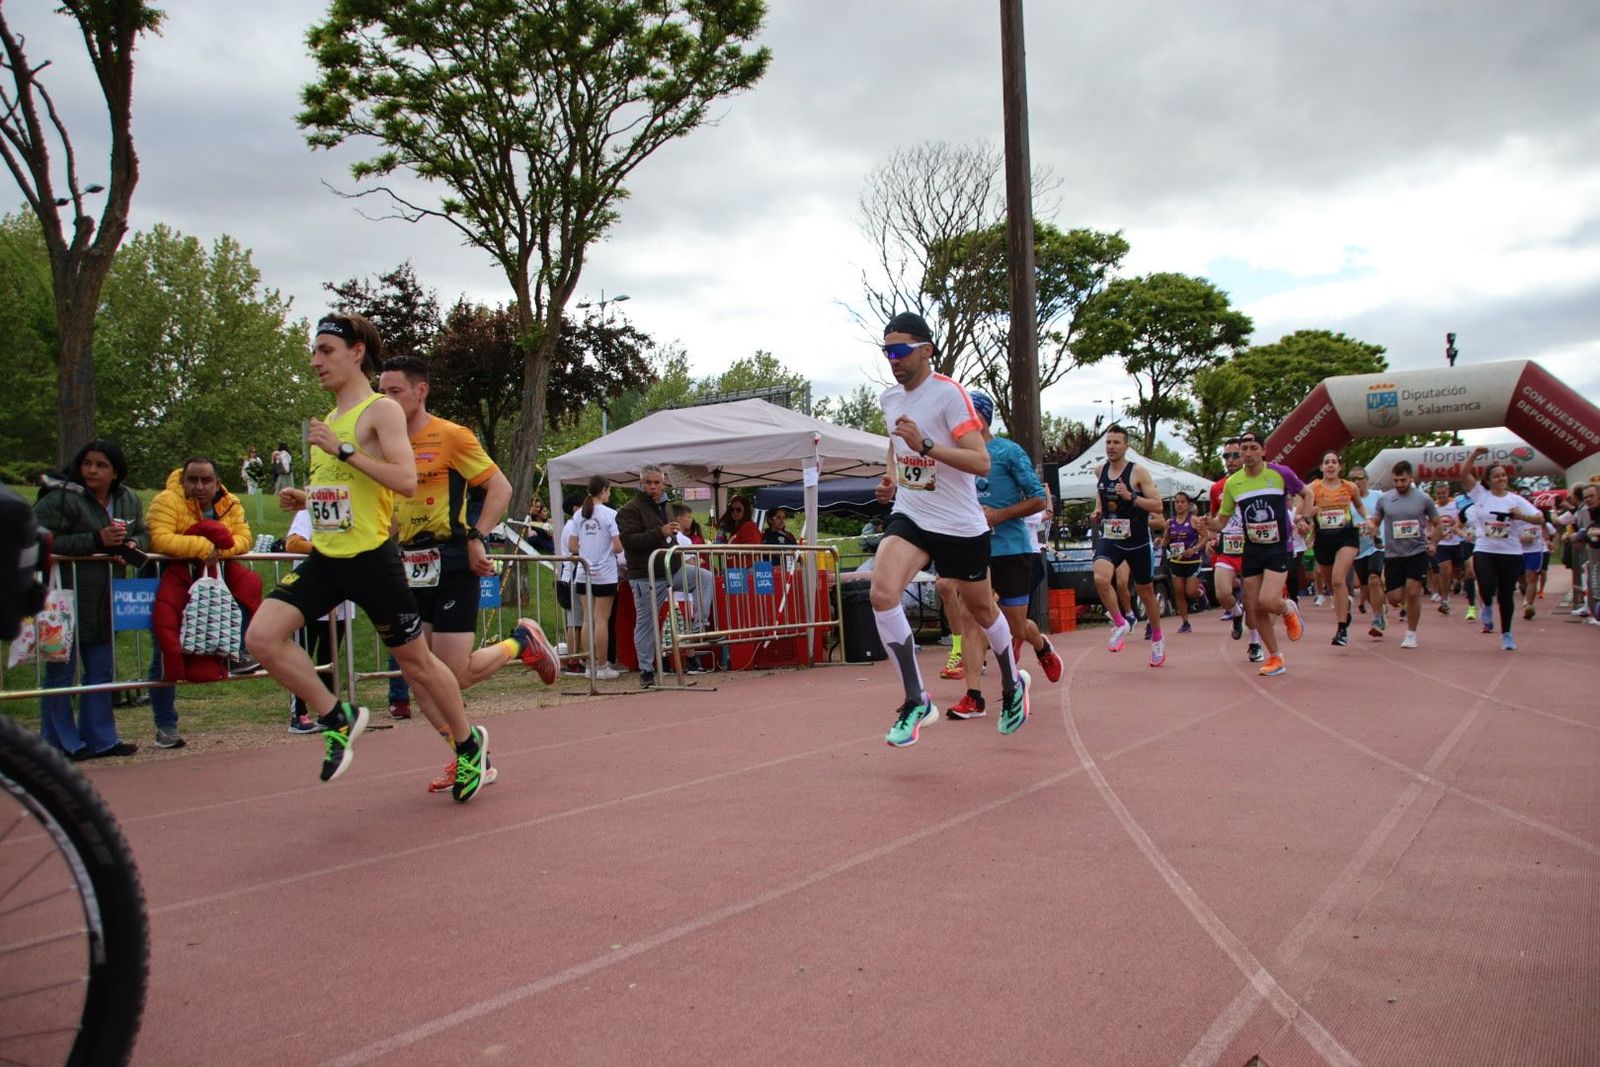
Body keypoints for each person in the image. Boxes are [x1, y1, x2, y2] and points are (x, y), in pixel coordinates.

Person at [246, 314, 499, 802]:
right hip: (327, 557)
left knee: (419, 665)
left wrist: (341, 451)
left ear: (356, 352)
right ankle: (334, 716)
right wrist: (310, 496)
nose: (316, 360)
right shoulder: (331, 419)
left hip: (371, 562)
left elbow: (404, 480)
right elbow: (350, 489)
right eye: (314, 352)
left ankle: (469, 747)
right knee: (261, 636)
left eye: (326, 350)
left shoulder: (380, 410)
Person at [376, 354, 554, 789]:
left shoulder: (450, 436)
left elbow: (501, 488)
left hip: (453, 559)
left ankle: (519, 642)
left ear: (421, 391)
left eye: (394, 392)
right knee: (419, 678)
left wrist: (478, 534)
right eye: (380, 393)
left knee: (450, 675)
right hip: (409, 563)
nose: (385, 401)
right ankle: (471, 753)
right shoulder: (381, 445)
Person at [869, 312, 1028, 746]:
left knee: (982, 612)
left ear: (926, 350)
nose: (893, 360)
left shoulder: (950, 396)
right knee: (882, 593)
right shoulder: (888, 400)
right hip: (913, 514)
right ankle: (917, 699)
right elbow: (894, 444)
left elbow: (981, 462)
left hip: (959, 524)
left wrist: (926, 445)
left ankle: (1013, 685)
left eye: (900, 351)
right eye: (887, 352)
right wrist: (892, 480)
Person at [943, 390, 1062, 721]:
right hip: (975, 549)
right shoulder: (956, 457)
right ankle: (974, 696)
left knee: (1014, 627)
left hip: (1012, 549)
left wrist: (998, 515)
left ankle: (1041, 646)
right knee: (970, 617)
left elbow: (1039, 500)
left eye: (963, 415)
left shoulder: (1008, 452)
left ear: (978, 418)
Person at [33, 440, 145, 759]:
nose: (92, 470)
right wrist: (95, 541)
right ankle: (59, 741)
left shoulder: (128, 500)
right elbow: (36, 536)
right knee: (61, 669)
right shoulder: (62, 498)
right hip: (64, 597)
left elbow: (145, 533)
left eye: (101, 465)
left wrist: (133, 545)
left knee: (101, 669)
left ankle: (101, 738)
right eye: (87, 463)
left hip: (107, 596)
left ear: (115, 472)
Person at [145, 456, 257, 748]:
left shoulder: (230, 503)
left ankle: (241, 651)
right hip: (171, 585)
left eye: (206, 480)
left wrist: (221, 548)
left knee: (250, 586)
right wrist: (203, 546)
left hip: (213, 584)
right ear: (183, 480)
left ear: (217, 483)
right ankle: (165, 724)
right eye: (192, 479)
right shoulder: (166, 501)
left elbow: (244, 537)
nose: (199, 486)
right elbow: (159, 539)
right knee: (165, 652)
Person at [1210, 430, 1313, 677]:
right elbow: (1221, 521)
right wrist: (1205, 525)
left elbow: (1306, 493)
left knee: (1268, 601)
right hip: (1252, 547)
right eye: (1243, 449)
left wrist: (1304, 518)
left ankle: (1287, 608)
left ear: (1264, 450)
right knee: (1255, 608)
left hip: (1278, 546)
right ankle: (1276, 657)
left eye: (1252, 448)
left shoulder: (1280, 474)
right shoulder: (1234, 483)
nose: (1247, 453)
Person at [617, 465, 713, 687]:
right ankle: (646, 670)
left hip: (672, 569)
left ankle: (699, 626)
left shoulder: (666, 506)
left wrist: (674, 541)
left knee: (704, 577)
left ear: (663, 484)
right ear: (641, 484)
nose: (653, 487)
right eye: (648, 483)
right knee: (646, 622)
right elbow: (629, 541)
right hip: (646, 574)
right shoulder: (629, 510)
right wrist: (660, 533)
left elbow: (670, 536)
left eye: (657, 482)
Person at [1090, 424, 1168, 667]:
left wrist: (1132, 497)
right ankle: (1121, 622)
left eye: (1116, 442)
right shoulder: (1100, 470)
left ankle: (1157, 637)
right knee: (1101, 578)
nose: (1111, 447)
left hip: (1137, 541)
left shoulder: (1138, 473)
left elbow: (1158, 506)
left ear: (1126, 446)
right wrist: (1098, 509)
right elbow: (1101, 493)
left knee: (1145, 592)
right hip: (1112, 538)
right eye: (1108, 442)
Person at [1458, 445, 1546, 650]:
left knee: (1506, 594)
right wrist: (1474, 456)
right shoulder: (1481, 495)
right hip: (1485, 548)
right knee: (1486, 584)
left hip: (1511, 552)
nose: (1501, 478)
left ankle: (1507, 634)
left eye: (1503, 475)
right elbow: (1464, 473)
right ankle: (1486, 604)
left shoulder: (1515, 500)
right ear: (1488, 481)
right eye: (1496, 476)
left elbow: (1540, 518)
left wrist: (1520, 516)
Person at [1366, 460, 1441, 648]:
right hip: (1393, 554)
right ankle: (1389, 610)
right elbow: (1376, 519)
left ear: (1411, 478)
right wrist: (1372, 526)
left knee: (1414, 591)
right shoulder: (1385, 499)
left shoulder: (1423, 499)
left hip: (1417, 551)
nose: (1399, 484)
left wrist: (1433, 541)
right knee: (1395, 598)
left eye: (1403, 480)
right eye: (1396, 480)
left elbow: (1437, 522)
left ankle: (1411, 633)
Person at [1309, 451, 1369, 647]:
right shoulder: (1313, 488)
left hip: (1346, 537)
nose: (1330, 465)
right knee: (1331, 585)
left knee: (1337, 579)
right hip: (1324, 539)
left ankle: (1342, 629)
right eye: (1327, 462)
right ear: (1321, 467)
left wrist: (1367, 518)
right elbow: (1301, 512)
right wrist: (1310, 512)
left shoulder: (1349, 487)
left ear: (1340, 467)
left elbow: (1359, 506)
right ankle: (1345, 607)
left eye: (1334, 462)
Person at [568, 476, 623, 680]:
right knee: (601, 620)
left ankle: (589, 665)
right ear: (604, 490)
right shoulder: (610, 514)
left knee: (587, 620)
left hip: (584, 571)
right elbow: (618, 546)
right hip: (605, 573)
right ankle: (602, 666)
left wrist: (587, 550)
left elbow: (572, 546)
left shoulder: (579, 515)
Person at [1208, 438, 1258, 659]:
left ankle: (1255, 642)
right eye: (1226, 456)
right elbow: (1214, 516)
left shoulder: (1255, 482)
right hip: (1227, 546)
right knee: (1221, 593)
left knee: (1250, 597)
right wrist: (1211, 536)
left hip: (1252, 547)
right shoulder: (1217, 487)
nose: (1230, 460)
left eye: (1235, 455)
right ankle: (1236, 614)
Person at [1162, 491, 1204, 634]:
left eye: (1182, 502)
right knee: (1179, 592)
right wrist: (1159, 542)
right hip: (1176, 560)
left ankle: (1200, 594)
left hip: (1193, 560)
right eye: (1177, 502)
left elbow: (1205, 536)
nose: (1179, 505)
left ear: (1188, 504)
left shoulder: (1194, 520)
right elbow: (1165, 540)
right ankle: (1185, 622)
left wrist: (1195, 548)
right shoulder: (1170, 522)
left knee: (1190, 592)